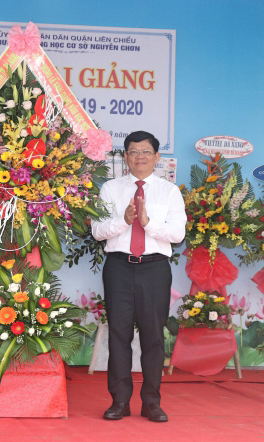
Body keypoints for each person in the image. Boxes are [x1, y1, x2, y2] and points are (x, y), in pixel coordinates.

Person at [91, 131, 186, 423]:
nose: (139, 157)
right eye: (133, 152)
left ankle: (151, 402)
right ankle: (119, 401)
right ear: (125, 157)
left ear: (157, 157)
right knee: (118, 335)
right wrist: (125, 221)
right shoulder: (110, 189)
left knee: (153, 336)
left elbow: (177, 234)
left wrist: (148, 223)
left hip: (154, 269)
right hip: (119, 267)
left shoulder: (169, 191)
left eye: (146, 152)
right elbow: (97, 230)